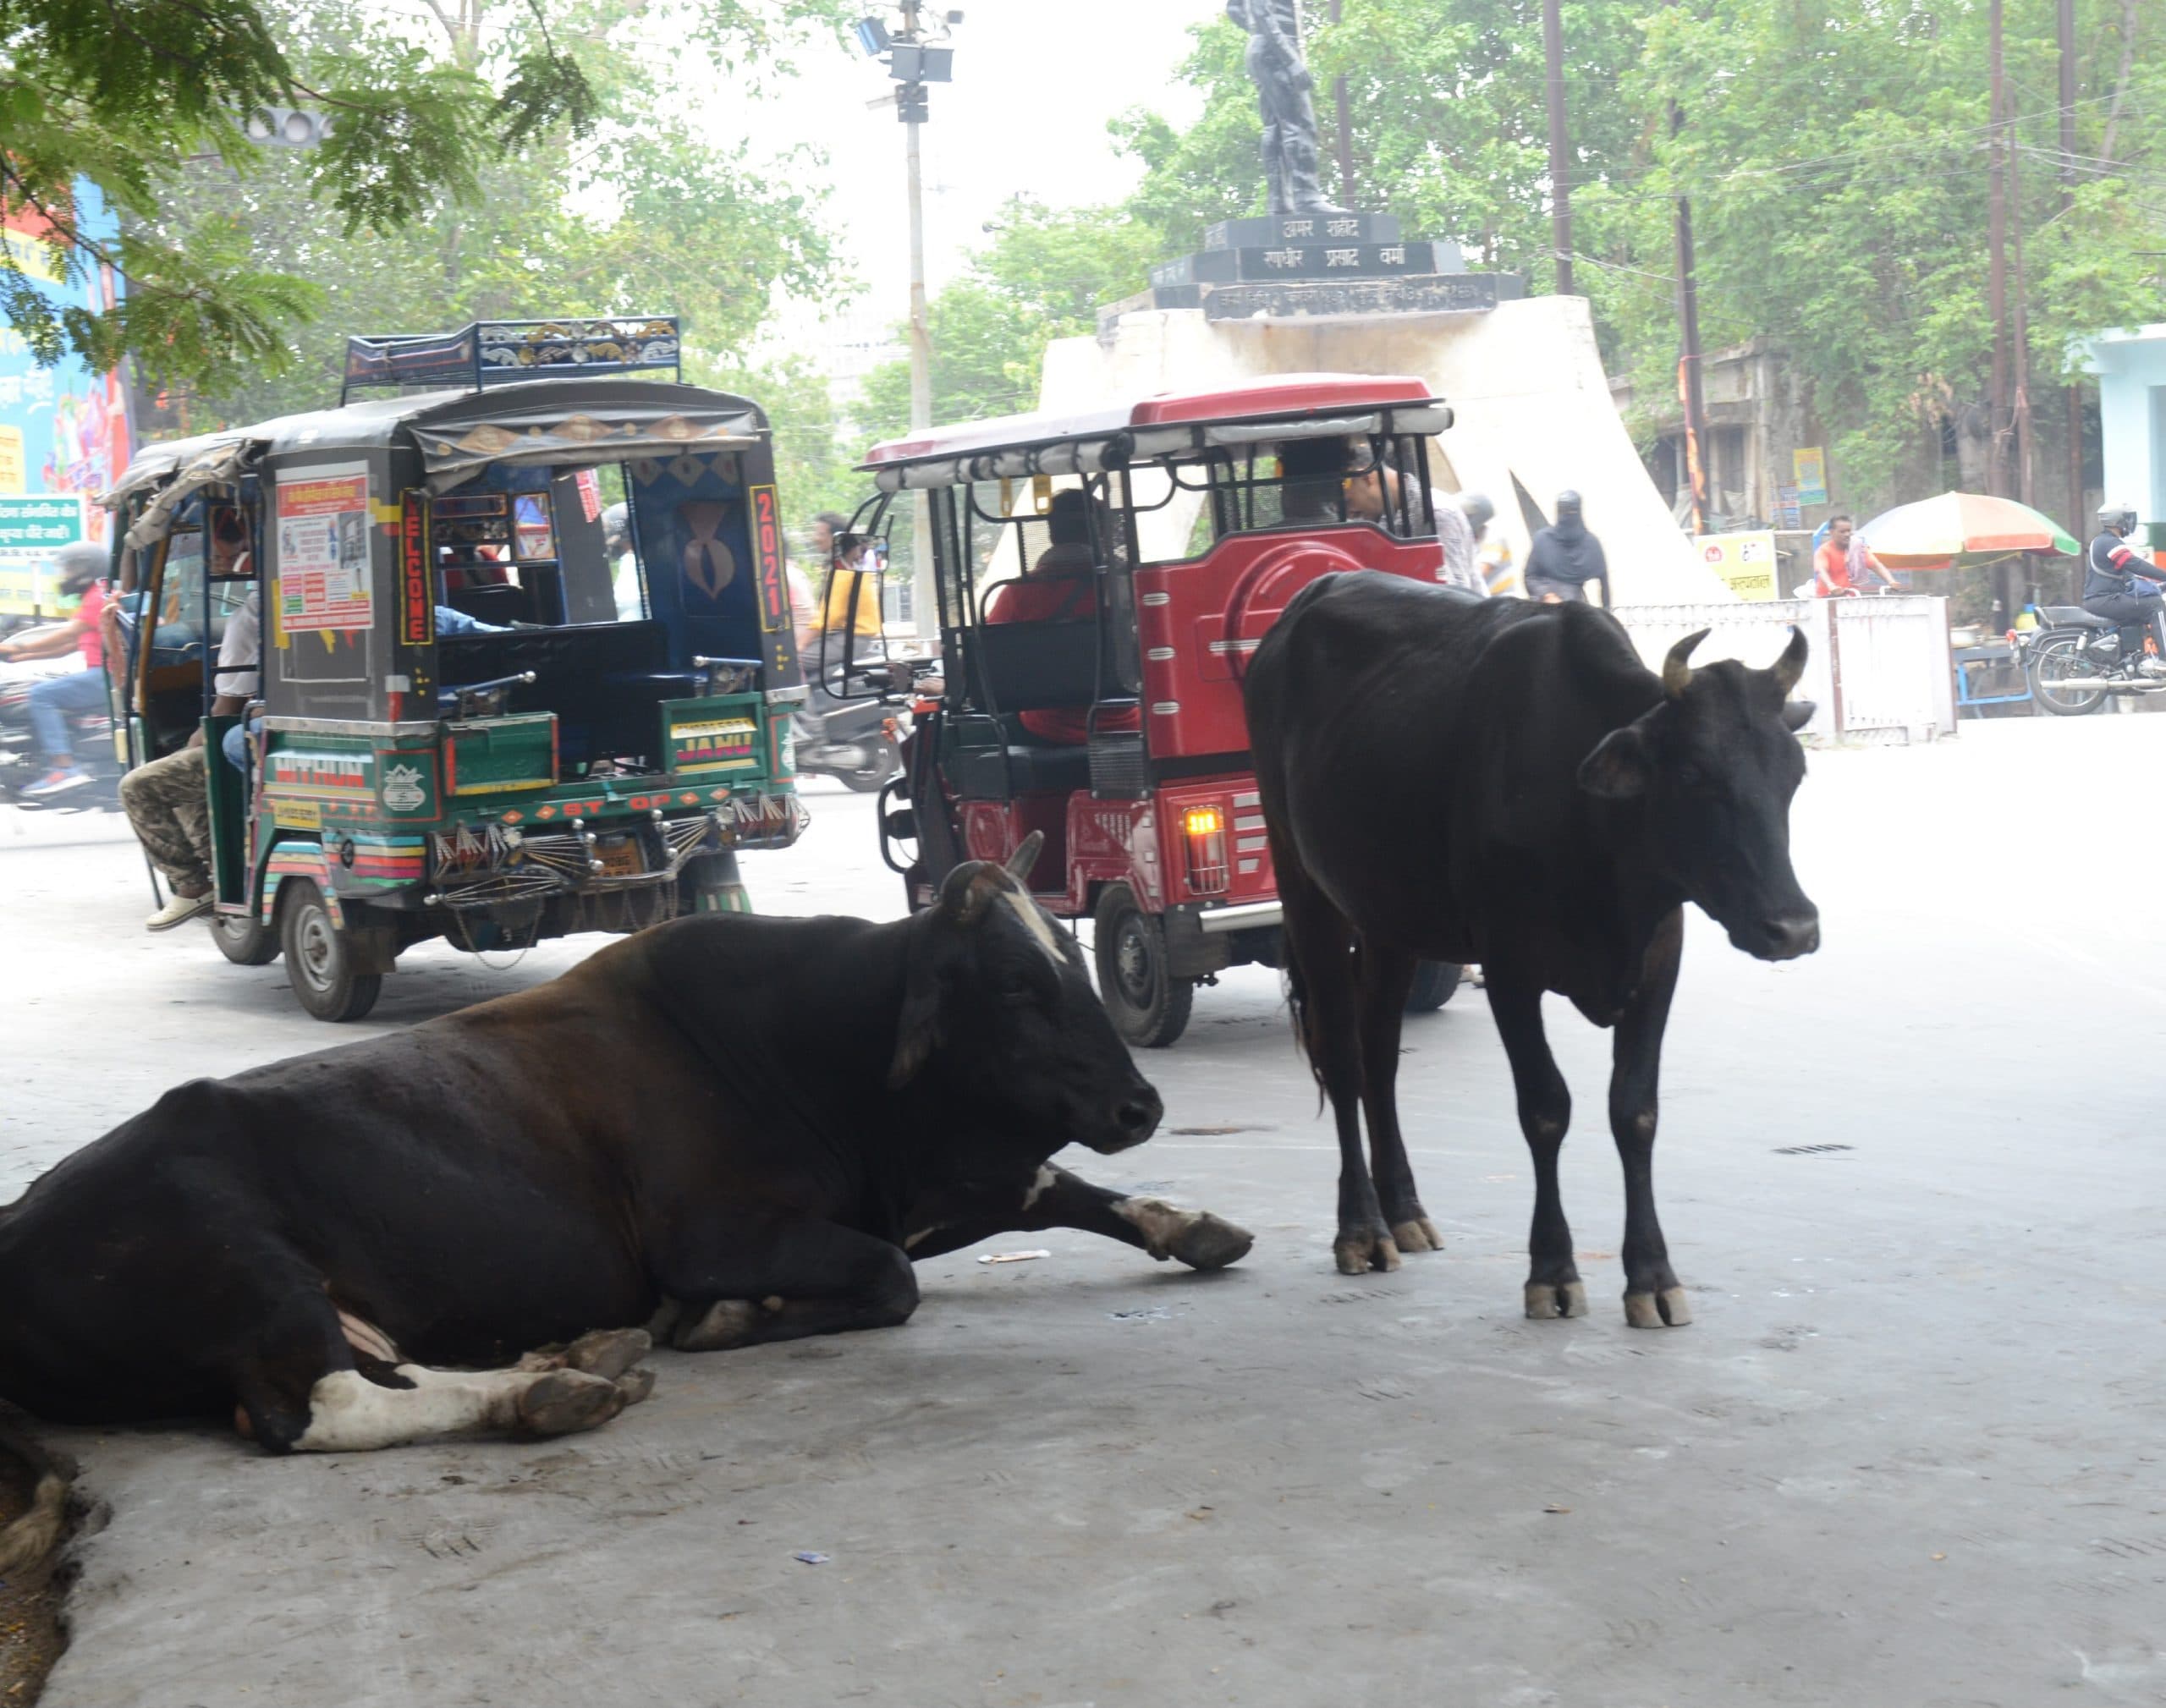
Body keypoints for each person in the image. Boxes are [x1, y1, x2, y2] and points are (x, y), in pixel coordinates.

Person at [981, 489, 1140, 747]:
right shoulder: (1131, 586)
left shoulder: (1020, 592)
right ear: (1101, 531)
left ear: (1051, 531)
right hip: (1128, 723)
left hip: (1047, 730)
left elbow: (988, 663)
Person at [0, 541, 111, 797]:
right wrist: (21, 657)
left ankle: (64, 767)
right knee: (35, 687)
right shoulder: (96, 595)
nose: (65, 575)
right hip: (103, 675)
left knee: (41, 695)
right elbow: (69, 646)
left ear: (88, 568)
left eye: (71, 568)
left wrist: (15, 647)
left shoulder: (97, 597)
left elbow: (66, 635)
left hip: (105, 677)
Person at [1343, 452, 1483, 594]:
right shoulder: (1379, 519)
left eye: (1349, 502)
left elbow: (1455, 594)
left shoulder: (1437, 514)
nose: (1350, 513)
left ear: (1367, 478)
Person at [2083, 502, 2166, 677]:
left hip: (2104, 598)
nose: (2130, 523)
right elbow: (2134, 564)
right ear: (2117, 520)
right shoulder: (2109, 543)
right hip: (2104, 599)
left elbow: (2131, 577)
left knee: (2148, 602)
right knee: (2155, 605)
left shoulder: (2106, 542)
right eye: (2127, 518)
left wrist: (2159, 586)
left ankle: (2133, 661)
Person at [1524, 489, 1610, 605]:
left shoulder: (1591, 544)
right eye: (1564, 511)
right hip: (1543, 607)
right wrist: (1547, 595)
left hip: (1575, 608)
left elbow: (1604, 584)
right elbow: (1530, 576)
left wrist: (1606, 613)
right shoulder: (1543, 540)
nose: (1567, 517)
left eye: (1572, 512)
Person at [1813, 513, 1899, 596]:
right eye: (1842, 532)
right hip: (1826, 598)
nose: (1847, 534)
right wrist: (1831, 586)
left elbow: (1876, 565)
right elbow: (1821, 570)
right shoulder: (1824, 550)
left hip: (1852, 597)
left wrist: (1891, 581)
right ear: (1831, 532)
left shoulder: (1857, 548)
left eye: (1849, 531)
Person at [1463, 494, 1521, 596]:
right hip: (1486, 602)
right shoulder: (1471, 539)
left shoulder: (1493, 536)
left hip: (1503, 600)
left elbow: (1481, 570)